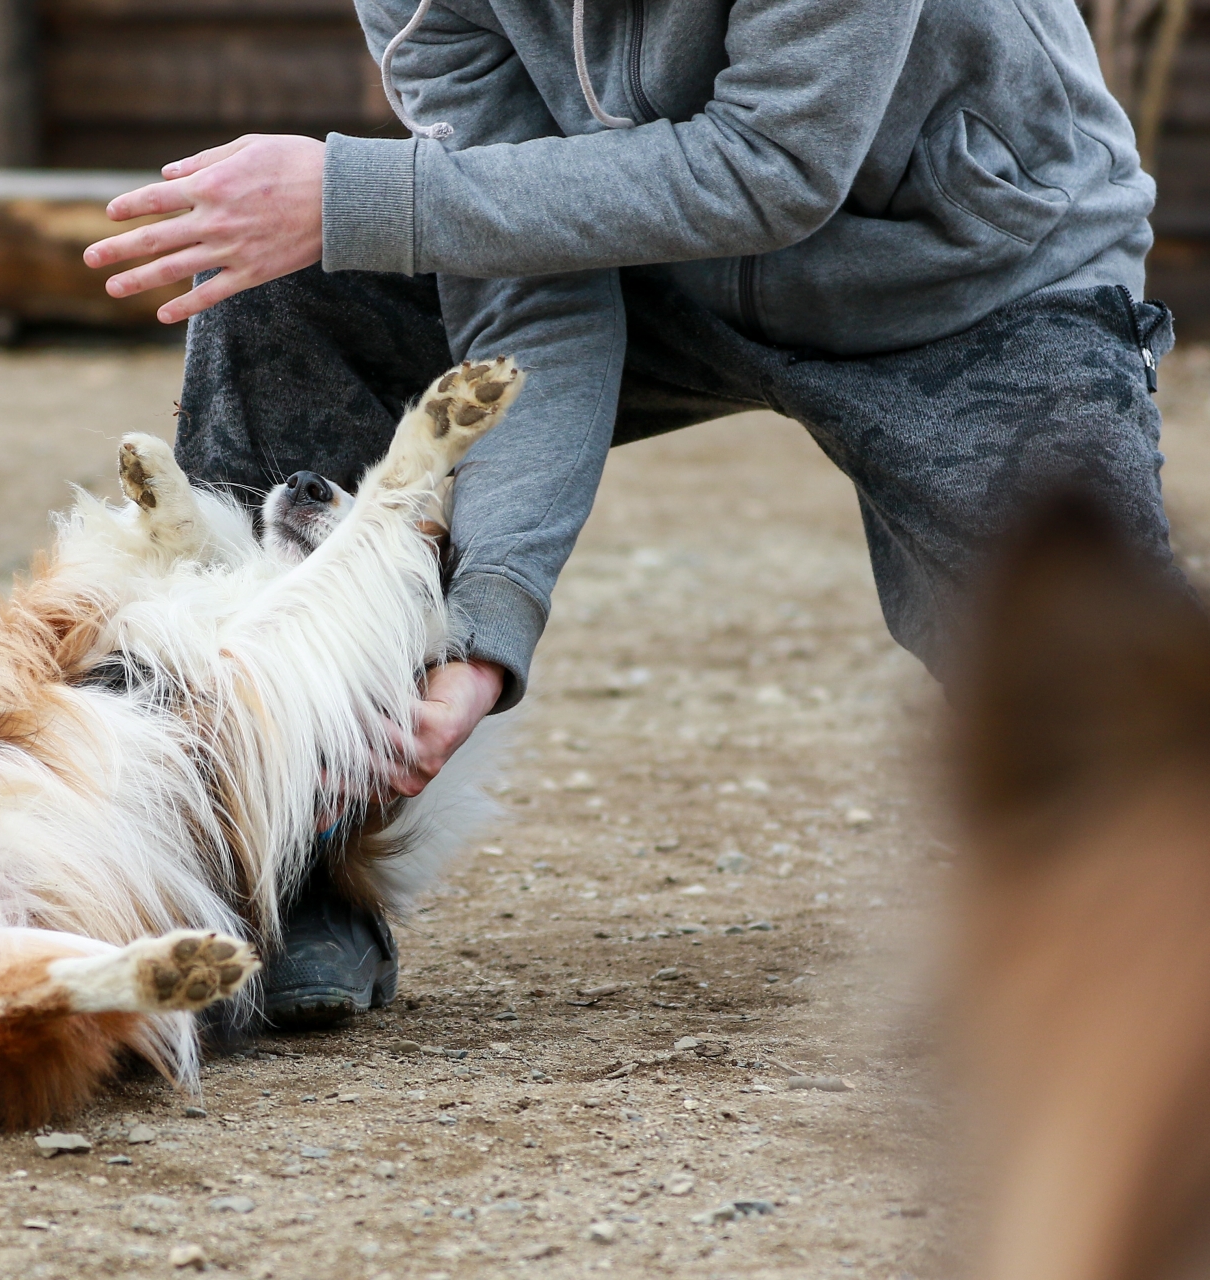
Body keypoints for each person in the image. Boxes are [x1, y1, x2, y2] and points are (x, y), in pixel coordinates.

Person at [84, 0, 1177, 1029]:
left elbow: (775, 166)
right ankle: (303, 863)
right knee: (288, 285)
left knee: (1108, 721)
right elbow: (525, 274)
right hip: (655, 263)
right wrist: (482, 632)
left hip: (972, 267)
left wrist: (365, 193)